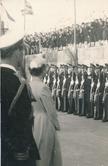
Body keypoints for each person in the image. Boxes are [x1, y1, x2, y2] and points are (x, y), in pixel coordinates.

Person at [1, 25, 40, 165]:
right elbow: (22, 125)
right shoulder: (18, 85)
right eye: (22, 50)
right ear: (17, 52)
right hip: (12, 155)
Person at [28, 56, 62, 166]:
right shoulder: (43, 87)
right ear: (42, 71)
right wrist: (56, 125)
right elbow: (51, 110)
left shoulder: (27, 85)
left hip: (32, 121)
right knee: (46, 152)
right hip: (43, 121)